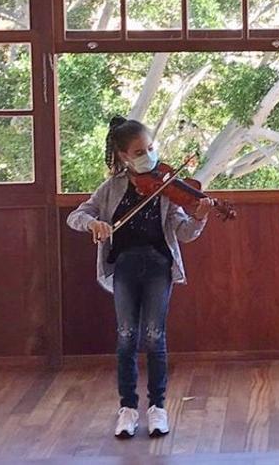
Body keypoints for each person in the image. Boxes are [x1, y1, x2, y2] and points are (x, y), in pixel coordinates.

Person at [67, 117, 215, 439]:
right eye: (139, 151)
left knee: (154, 335)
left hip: (159, 267)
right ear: (123, 156)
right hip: (124, 267)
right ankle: (128, 408)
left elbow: (185, 233)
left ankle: (157, 407)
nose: (148, 155)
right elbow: (76, 215)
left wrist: (200, 217)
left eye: (150, 148)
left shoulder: (165, 187)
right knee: (125, 336)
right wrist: (94, 225)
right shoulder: (111, 189)